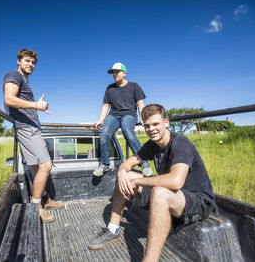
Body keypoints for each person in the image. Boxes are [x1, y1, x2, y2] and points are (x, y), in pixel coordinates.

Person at [88, 104, 216, 261]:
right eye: (147, 125)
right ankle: (113, 229)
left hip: (198, 201)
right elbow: (126, 164)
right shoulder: (152, 145)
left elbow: (176, 181)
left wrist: (138, 181)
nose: (151, 129)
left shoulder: (180, 143)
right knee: (127, 176)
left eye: (155, 124)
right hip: (174, 195)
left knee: (159, 192)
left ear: (166, 122)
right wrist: (122, 173)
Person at [3, 48, 63, 223]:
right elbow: (9, 99)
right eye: (27, 60)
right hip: (27, 129)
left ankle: (45, 199)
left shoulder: (23, 80)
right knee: (46, 165)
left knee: (36, 167)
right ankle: (36, 207)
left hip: (30, 127)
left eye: (33, 62)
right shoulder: (14, 75)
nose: (30, 64)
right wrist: (36, 105)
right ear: (18, 61)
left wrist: (35, 108)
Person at [93, 62, 153, 177]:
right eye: (113, 72)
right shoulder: (110, 88)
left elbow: (140, 103)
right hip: (114, 115)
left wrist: (143, 117)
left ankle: (144, 163)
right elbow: (106, 105)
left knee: (127, 132)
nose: (115, 74)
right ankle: (104, 163)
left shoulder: (134, 86)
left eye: (117, 72)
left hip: (129, 114)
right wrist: (100, 120)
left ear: (124, 73)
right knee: (104, 134)